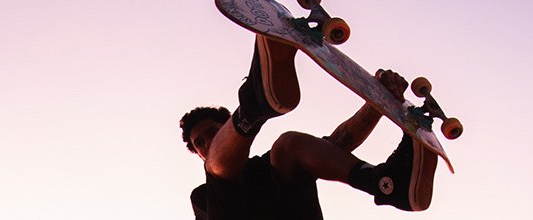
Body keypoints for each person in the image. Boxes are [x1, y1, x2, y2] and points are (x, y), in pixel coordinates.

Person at [181, 37, 439, 220]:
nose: (206, 143)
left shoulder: (270, 166)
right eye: (200, 144)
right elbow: (217, 167)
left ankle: (388, 183)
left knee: (289, 146)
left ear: (225, 126)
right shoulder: (204, 197)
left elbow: (339, 142)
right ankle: (252, 107)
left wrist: (378, 102)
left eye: (212, 133)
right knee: (218, 173)